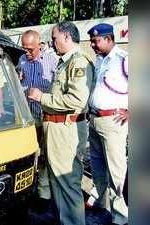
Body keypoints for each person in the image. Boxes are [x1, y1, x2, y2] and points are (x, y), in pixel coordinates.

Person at [28, 21, 94, 225]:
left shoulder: (79, 62)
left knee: (68, 182)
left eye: (54, 38)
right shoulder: (64, 61)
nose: (52, 42)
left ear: (66, 37)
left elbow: (76, 100)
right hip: (56, 128)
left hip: (67, 130)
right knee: (57, 181)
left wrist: (42, 98)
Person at [86, 23, 129, 225]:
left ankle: (121, 218)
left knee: (116, 172)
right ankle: (102, 208)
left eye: (96, 41)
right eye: (92, 41)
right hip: (94, 120)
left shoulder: (124, 59)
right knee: (97, 169)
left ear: (109, 39)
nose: (93, 45)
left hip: (113, 122)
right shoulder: (99, 60)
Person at [16, 30, 58, 204]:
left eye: (31, 49)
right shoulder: (22, 60)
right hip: (26, 117)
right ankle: (26, 188)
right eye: (24, 48)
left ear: (40, 45)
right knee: (27, 154)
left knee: (44, 156)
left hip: (45, 116)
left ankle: (44, 193)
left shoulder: (52, 62)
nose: (27, 52)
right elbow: (18, 78)